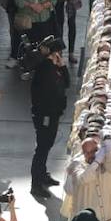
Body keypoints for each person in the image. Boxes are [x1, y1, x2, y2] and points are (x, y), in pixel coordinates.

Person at [30, 37, 70, 197]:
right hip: (45, 115)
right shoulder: (45, 69)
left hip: (53, 113)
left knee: (47, 146)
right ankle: (36, 183)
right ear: (55, 53)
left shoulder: (55, 67)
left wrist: (63, 66)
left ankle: (43, 175)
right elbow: (50, 91)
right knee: (42, 148)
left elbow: (66, 84)